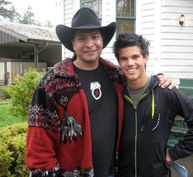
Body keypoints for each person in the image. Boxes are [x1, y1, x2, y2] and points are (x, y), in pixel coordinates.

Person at [25, 8, 175, 177]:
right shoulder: (54, 84)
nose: (90, 44)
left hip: (114, 171)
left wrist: (160, 79)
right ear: (73, 43)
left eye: (95, 37)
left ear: (102, 40)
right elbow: (39, 146)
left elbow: (139, 79)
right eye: (82, 38)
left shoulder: (116, 76)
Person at [113, 33, 193, 177]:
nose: (130, 63)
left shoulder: (165, 91)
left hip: (156, 172)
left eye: (135, 57)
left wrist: (173, 153)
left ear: (145, 57)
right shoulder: (117, 93)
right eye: (124, 58)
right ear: (119, 62)